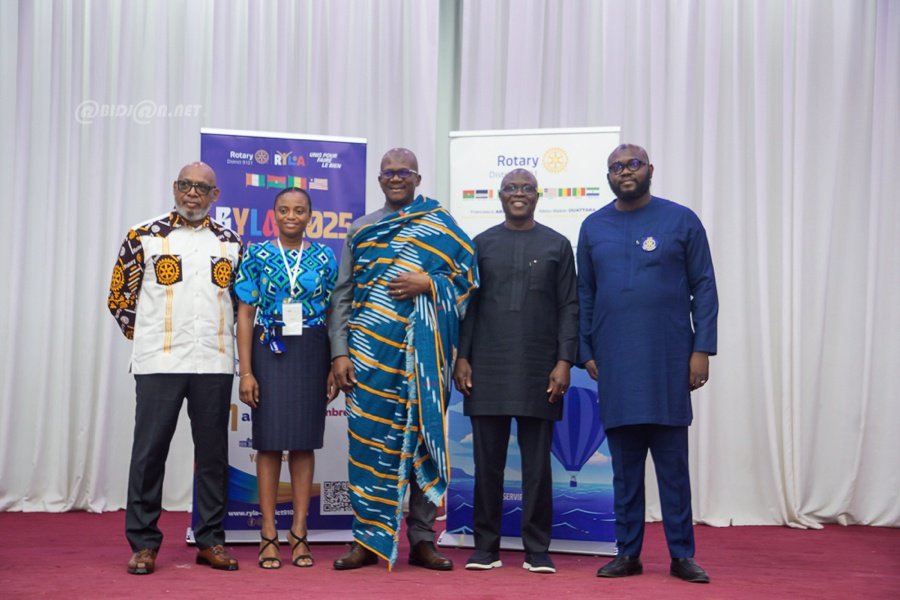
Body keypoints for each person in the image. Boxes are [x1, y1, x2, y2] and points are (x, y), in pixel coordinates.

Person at [328, 148, 478, 570]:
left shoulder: (440, 225)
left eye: (404, 172)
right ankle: (367, 539)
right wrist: (339, 353)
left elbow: (468, 279)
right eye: (389, 173)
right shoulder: (362, 229)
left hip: (424, 358)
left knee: (422, 438)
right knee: (368, 443)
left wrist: (430, 282)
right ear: (379, 180)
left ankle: (423, 539)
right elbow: (342, 294)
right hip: (368, 356)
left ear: (417, 178)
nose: (396, 179)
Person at [577, 144, 718, 584]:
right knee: (624, 471)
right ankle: (628, 554)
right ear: (608, 176)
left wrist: (702, 349)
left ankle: (682, 555)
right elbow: (584, 294)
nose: (625, 172)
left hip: (668, 361)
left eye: (633, 164)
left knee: (673, 469)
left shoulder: (681, 220)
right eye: (616, 167)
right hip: (616, 364)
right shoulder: (593, 226)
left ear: (650, 170)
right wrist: (586, 350)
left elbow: (704, 286)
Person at [107, 162, 243, 574]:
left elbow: (240, 305)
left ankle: (210, 540)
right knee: (150, 453)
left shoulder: (231, 241)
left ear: (215, 195)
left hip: (214, 361)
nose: (193, 193)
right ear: (174, 188)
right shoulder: (144, 235)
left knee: (214, 456)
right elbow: (119, 298)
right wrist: (153, 339)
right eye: (186, 185)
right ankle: (143, 544)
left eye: (202, 188)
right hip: (160, 363)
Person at [453, 169, 578, 575]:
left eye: (526, 188)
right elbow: (469, 307)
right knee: (486, 464)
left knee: (537, 467)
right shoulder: (481, 244)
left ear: (538, 196)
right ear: (500, 195)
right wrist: (462, 358)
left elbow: (569, 307)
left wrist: (564, 361)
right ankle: (485, 547)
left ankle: (537, 550)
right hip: (487, 366)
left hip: (539, 368)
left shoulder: (558, 245)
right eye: (511, 188)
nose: (518, 193)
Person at [234, 187, 338, 569]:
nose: (291, 216)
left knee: (304, 443)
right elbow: (245, 314)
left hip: (312, 350)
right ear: (274, 214)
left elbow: (334, 313)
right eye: (284, 210)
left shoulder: (325, 256)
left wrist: (333, 363)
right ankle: (267, 533)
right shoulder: (257, 254)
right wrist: (246, 371)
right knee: (269, 443)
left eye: (299, 210)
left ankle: (298, 531)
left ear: (310, 215)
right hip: (269, 347)